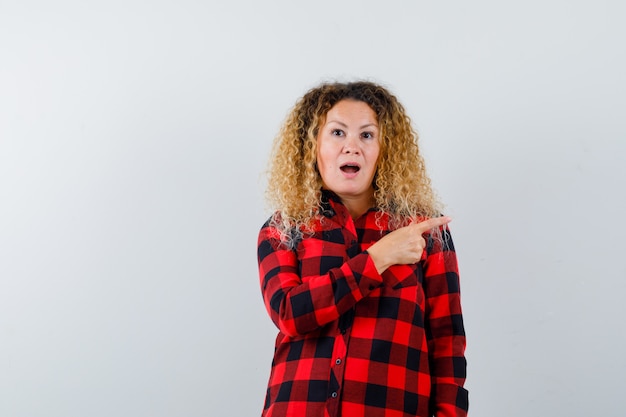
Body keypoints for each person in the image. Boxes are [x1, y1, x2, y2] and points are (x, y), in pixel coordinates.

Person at [257, 81, 468, 417]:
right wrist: (378, 258)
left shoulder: (423, 232)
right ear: (312, 146)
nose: (351, 147)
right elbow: (289, 313)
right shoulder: (284, 228)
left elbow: (446, 342)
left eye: (367, 135)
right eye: (337, 133)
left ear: (386, 149)